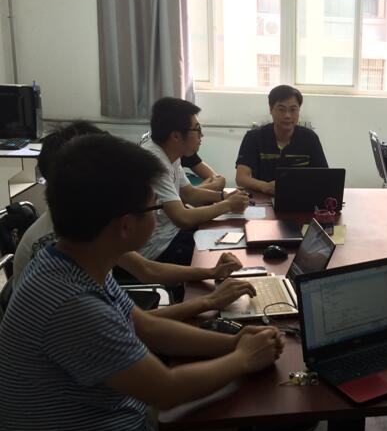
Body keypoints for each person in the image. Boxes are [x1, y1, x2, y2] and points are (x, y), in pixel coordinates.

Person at [0, 133, 284, 431]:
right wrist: (242, 358)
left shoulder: (74, 261)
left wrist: (234, 343)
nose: (159, 216)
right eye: (155, 209)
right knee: (226, 391)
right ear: (125, 226)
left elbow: (146, 326)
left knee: (226, 406)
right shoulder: (71, 303)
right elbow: (165, 389)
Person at [12, 122, 253, 322]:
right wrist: (209, 302)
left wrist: (211, 273)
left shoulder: (89, 230)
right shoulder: (60, 250)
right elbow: (137, 328)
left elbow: (144, 274)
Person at [140, 97, 251, 265]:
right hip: (158, 250)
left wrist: (224, 197)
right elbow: (182, 218)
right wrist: (228, 205)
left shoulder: (169, 151)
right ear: (176, 136)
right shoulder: (155, 162)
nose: (201, 135)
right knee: (229, 256)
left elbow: (189, 194)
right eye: (197, 129)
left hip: (172, 234)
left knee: (232, 236)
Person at [235, 85, 327, 195]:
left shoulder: (310, 138)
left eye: (293, 110)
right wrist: (264, 186)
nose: (287, 115)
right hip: (263, 198)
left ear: (299, 110)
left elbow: (324, 176)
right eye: (281, 109)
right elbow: (241, 178)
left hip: (300, 197)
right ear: (271, 109)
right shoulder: (254, 137)